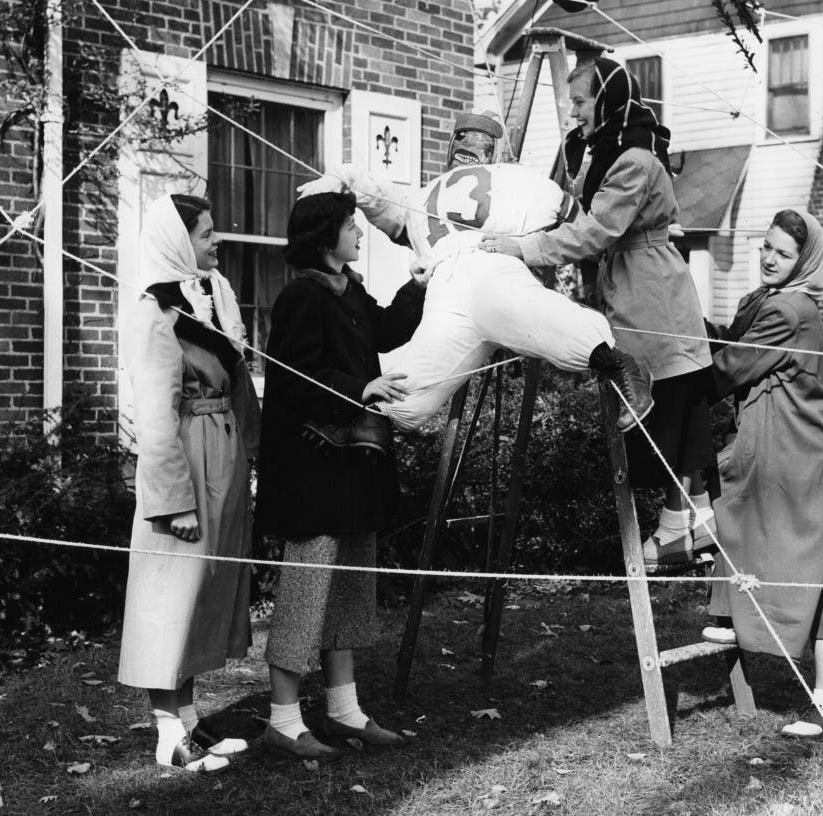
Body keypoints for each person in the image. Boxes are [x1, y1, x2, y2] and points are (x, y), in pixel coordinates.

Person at [480, 59, 717, 570]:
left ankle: (682, 523)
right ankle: (691, 518)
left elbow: (595, 231)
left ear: (608, 103)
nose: (575, 113)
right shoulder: (615, 152)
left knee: (667, 402)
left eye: (582, 103)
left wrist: (522, 249)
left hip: (650, 291)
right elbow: (585, 215)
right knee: (674, 402)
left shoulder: (632, 161)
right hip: (635, 281)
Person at [295, 110, 653, 438]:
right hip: (488, 274)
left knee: (403, 396)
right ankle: (622, 367)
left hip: (451, 286)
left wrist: (339, 177)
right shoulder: (522, 178)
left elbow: (374, 194)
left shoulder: (420, 196)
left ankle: (357, 440)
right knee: (560, 326)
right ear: (494, 152)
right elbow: (582, 224)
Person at [254, 191, 428, 760]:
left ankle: (344, 712)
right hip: (312, 471)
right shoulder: (301, 296)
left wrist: (417, 286)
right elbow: (294, 379)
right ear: (325, 237)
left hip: (353, 465)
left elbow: (384, 332)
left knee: (350, 587)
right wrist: (361, 389)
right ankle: (283, 719)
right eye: (352, 226)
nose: (360, 233)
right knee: (308, 589)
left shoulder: (347, 287)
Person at [118, 194, 261, 772]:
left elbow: (239, 383)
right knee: (170, 594)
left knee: (204, 591)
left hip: (222, 455)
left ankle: (192, 721)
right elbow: (155, 418)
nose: (216, 242)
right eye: (206, 234)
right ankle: (167, 735)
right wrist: (171, 501)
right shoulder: (154, 312)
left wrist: (252, 454)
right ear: (179, 242)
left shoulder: (209, 298)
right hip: (184, 459)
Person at [702, 208, 823, 739]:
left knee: (814, 568)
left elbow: (728, 370)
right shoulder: (769, 302)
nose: (769, 258)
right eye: (765, 246)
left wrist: (675, 368)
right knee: (819, 569)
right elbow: (734, 345)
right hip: (792, 446)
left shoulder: (789, 309)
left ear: (803, 261)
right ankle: (729, 616)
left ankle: (728, 614)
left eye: (783, 253)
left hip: (800, 453)